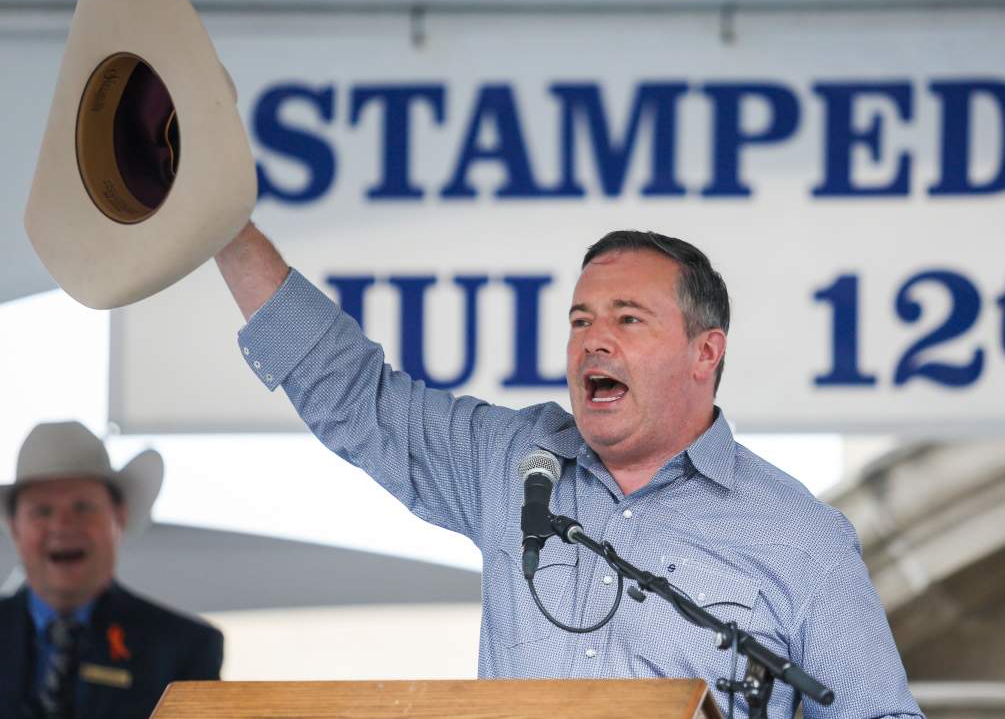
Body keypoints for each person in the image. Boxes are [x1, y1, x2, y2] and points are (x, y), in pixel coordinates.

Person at [216, 223, 923, 719]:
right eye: (580, 321)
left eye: (627, 319)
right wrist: (221, 228)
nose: (594, 342)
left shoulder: (803, 538)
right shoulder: (514, 461)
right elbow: (354, 393)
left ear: (704, 353)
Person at [0, 421, 223, 719]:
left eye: (83, 507)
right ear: (14, 527)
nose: (63, 525)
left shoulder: (183, 648)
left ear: (118, 517)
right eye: (42, 511)